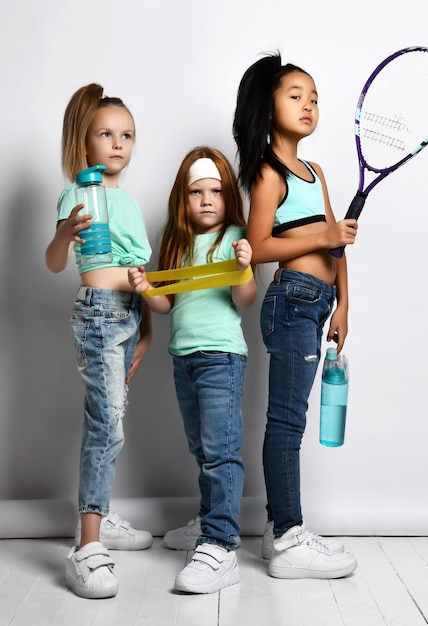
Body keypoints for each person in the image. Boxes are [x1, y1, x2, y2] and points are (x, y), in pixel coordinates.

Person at [233, 52, 359, 579]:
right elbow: (256, 245)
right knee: (286, 422)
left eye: (314, 98)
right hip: (291, 302)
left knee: (292, 420)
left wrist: (345, 304)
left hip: (319, 305)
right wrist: (322, 236)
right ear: (268, 106)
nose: (308, 104)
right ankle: (288, 537)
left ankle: (275, 532)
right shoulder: (268, 172)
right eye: (295, 95)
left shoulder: (316, 171)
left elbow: (338, 245)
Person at [128, 146, 257, 594]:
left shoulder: (237, 235)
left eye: (216, 191)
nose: (206, 200)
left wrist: (243, 267)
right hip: (182, 357)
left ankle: (220, 544)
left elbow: (246, 300)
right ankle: (210, 518)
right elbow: (167, 305)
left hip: (221, 356)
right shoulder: (176, 241)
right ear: (182, 199)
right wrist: (146, 288)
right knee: (202, 448)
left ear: (228, 197)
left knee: (221, 450)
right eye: (196, 192)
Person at [45, 83, 153, 599]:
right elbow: (54, 260)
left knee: (114, 422)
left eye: (126, 135)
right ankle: (86, 547)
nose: (117, 144)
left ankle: (102, 515)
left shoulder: (128, 203)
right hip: (98, 315)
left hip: (130, 315)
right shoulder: (77, 195)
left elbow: (140, 273)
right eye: (105, 134)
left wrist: (147, 330)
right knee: (105, 425)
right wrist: (65, 232)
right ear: (83, 142)